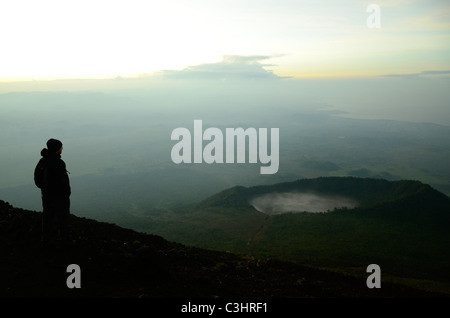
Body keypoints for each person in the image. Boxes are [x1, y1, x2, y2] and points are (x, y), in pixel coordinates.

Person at [35, 138, 71, 248]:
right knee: (63, 220)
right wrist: (66, 194)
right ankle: (65, 242)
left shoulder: (43, 161)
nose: (62, 149)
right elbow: (64, 182)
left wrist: (45, 189)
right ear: (57, 149)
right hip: (60, 197)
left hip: (46, 196)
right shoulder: (59, 163)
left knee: (47, 218)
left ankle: (46, 241)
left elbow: (37, 179)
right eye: (61, 147)